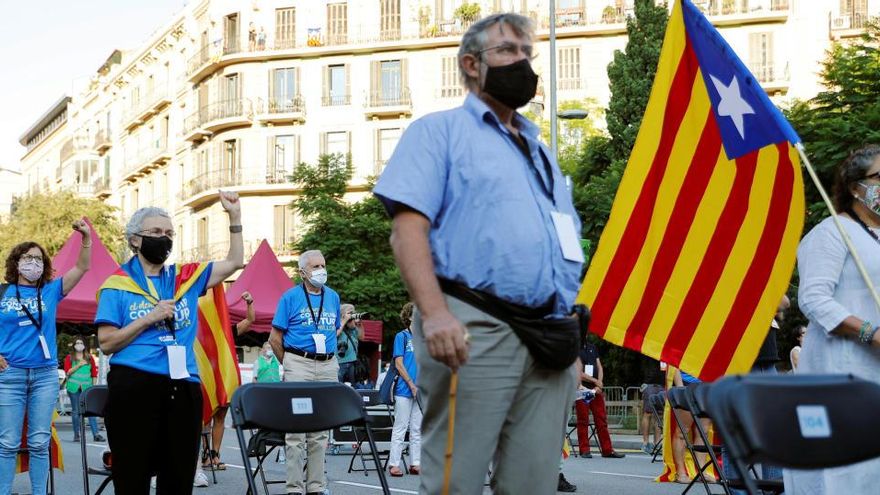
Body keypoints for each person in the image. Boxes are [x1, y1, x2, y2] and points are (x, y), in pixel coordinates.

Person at [373, 13, 583, 493]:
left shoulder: (540, 151)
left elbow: (561, 248)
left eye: (528, 53)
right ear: (470, 64)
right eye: (508, 51)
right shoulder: (438, 132)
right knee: (456, 481)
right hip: (473, 326)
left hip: (549, 337)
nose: (523, 63)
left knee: (533, 483)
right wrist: (435, 314)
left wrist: (567, 331)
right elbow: (407, 231)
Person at [95, 192, 243, 495]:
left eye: (168, 233)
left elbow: (234, 262)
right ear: (135, 240)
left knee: (177, 477)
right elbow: (107, 343)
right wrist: (149, 318)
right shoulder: (116, 285)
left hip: (183, 385)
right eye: (155, 233)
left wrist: (235, 218)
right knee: (133, 476)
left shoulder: (185, 278)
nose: (163, 239)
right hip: (134, 385)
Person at [784, 145, 880, 494]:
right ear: (856, 186)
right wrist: (871, 332)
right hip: (840, 375)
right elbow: (813, 299)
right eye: (879, 177)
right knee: (843, 474)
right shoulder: (832, 232)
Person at [0, 219, 91, 495]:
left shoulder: (51, 291)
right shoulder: (2, 292)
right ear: (16, 263)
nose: (34, 263)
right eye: (28, 257)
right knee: (7, 442)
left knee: (40, 442)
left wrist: (85, 239)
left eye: (38, 259)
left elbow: (82, 267)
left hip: (44, 376)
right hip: (9, 376)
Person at [269, 249, 341, 495]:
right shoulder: (290, 298)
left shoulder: (333, 297)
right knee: (297, 430)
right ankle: (294, 488)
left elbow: (333, 330)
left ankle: (316, 487)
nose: (321, 270)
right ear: (302, 272)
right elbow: (274, 339)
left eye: (323, 265)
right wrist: (289, 363)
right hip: (299, 363)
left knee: (321, 430)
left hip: (327, 364)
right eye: (315, 267)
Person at [203, 290, 255, 471]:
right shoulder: (202, 329)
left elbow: (249, 321)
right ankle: (205, 456)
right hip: (207, 378)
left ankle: (215, 455)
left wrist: (249, 303)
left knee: (220, 417)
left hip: (224, 377)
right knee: (205, 419)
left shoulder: (227, 330)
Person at [574, 341, 624, 459]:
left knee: (601, 420)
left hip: (595, 389)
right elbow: (577, 371)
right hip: (582, 389)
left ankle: (607, 450)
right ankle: (584, 449)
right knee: (583, 420)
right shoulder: (574, 346)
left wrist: (599, 384)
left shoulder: (592, 346)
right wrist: (595, 381)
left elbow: (599, 366)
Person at [388, 302, 422, 477]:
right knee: (401, 426)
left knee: (417, 428)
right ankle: (394, 463)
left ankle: (415, 463)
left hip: (422, 389)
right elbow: (399, 364)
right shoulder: (402, 336)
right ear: (409, 316)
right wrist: (411, 384)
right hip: (404, 389)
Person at [671, 370, 714, 484]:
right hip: (686, 384)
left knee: (703, 432)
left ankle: (702, 471)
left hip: (706, 385)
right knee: (682, 431)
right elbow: (673, 361)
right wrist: (680, 386)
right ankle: (680, 472)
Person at [63, 337, 105, 442]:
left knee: (91, 411)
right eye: (77, 343)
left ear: (84, 345)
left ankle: (96, 434)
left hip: (87, 388)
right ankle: (77, 435)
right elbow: (67, 372)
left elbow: (94, 374)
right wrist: (79, 364)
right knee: (76, 411)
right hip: (73, 388)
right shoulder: (69, 358)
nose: (79, 345)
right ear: (74, 345)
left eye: (81, 343)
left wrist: (93, 387)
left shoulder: (89, 358)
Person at [639, 358, 665, 454]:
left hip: (663, 384)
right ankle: (645, 443)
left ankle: (657, 443)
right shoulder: (651, 349)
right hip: (650, 384)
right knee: (648, 413)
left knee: (659, 415)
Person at [336, 303, 365, 383]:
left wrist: (359, 323)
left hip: (352, 362)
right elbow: (335, 334)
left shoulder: (352, 328)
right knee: (339, 387)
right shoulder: (338, 325)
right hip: (339, 363)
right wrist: (344, 320)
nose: (352, 315)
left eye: (353, 313)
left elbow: (362, 337)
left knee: (352, 389)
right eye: (350, 313)